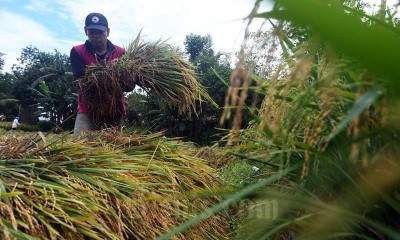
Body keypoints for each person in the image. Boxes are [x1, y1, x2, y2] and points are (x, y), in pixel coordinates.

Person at [70, 12, 128, 134]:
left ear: (108, 31)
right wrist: (112, 73)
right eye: (92, 32)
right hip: (88, 108)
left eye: (100, 32)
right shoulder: (77, 51)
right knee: (79, 145)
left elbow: (128, 86)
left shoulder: (121, 53)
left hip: (114, 109)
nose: (96, 36)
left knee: (113, 147)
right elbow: (81, 82)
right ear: (86, 31)